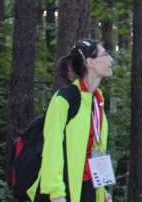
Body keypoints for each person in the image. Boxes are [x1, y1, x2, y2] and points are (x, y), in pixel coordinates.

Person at [28, 39, 114, 202]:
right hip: (65, 189)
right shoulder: (64, 99)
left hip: (89, 188)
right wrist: (56, 193)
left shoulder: (97, 99)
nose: (111, 60)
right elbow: (52, 147)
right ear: (91, 63)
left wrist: (102, 192)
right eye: (105, 54)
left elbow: (97, 149)